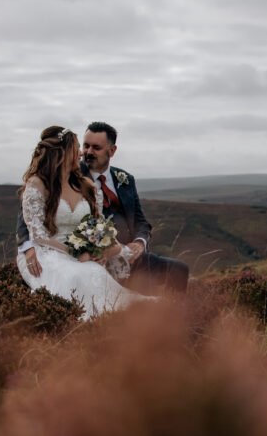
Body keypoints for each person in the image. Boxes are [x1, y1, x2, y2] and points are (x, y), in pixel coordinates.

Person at [17, 122, 189, 295]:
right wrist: (28, 248)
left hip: (123, 253)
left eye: (96, 148)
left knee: (179, 270)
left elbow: (140, 221)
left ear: (112, 150)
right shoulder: (68, 175)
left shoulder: (125, 179)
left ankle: (174, 317)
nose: (87, 152)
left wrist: (139, 243)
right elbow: (28, 219)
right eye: (85, 146)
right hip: (84, 255)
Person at [16, 125, 150, 320]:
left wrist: (98, 250)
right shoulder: (37, 184)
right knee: (75, 276)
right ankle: (81, 323)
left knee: (96, 273)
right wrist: (73, 253)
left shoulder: (85, 185)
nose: (81, 153)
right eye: (78, 147)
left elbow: (97, 224)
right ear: (63, 153)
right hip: (44, 252)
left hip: (81, 252)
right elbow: (37, 234)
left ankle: (115, 321)